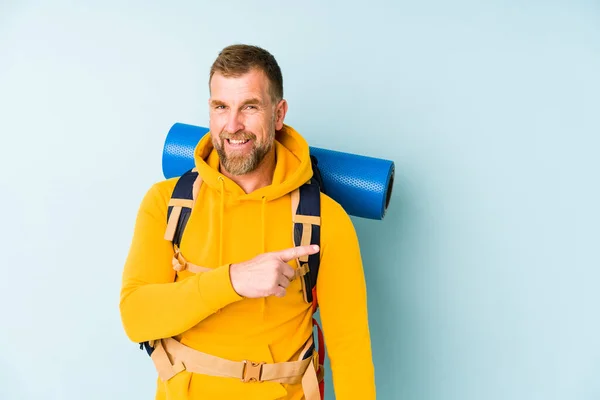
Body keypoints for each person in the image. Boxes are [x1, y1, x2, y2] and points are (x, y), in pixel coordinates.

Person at [119, 44, 376, 399]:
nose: (232, 125)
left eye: (250, 107)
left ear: (278, 113)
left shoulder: (325, 220)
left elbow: (351, 356)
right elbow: (136, 318)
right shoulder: (167, 203)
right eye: (220, 107)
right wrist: (232, 280)